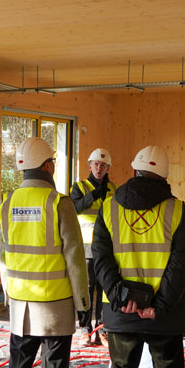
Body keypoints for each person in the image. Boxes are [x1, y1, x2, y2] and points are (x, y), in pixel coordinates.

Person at [92, 145, 185, 368]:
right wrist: (159, 306)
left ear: (133, 171)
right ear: (164, 176)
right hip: (164, 315)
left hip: (122, 313)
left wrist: (122, 297)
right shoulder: (176, 210)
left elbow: (101, 260)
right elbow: (181, 265)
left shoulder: (109, 207)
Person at [0, 137, 90, 368]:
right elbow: (74, 257)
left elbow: (2, 253)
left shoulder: (7, 203)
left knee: (20, 361)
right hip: (55, 300)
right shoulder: (58, 203)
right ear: (47, 166)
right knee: (54, 362)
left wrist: (9, 292)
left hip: (21, 299)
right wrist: (84, 303)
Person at [69, 148, 117, 345]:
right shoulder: (80, 187)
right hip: (86, 247)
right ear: (89, 165)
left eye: (103, 165)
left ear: (108, 168)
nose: (99, 168)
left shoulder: (114, 188)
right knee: (86, 290)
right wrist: (96, 195)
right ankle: (85, 330)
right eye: (96, 164)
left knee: (105, 289)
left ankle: (102, 330)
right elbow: (75, 207)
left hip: (107, 247)